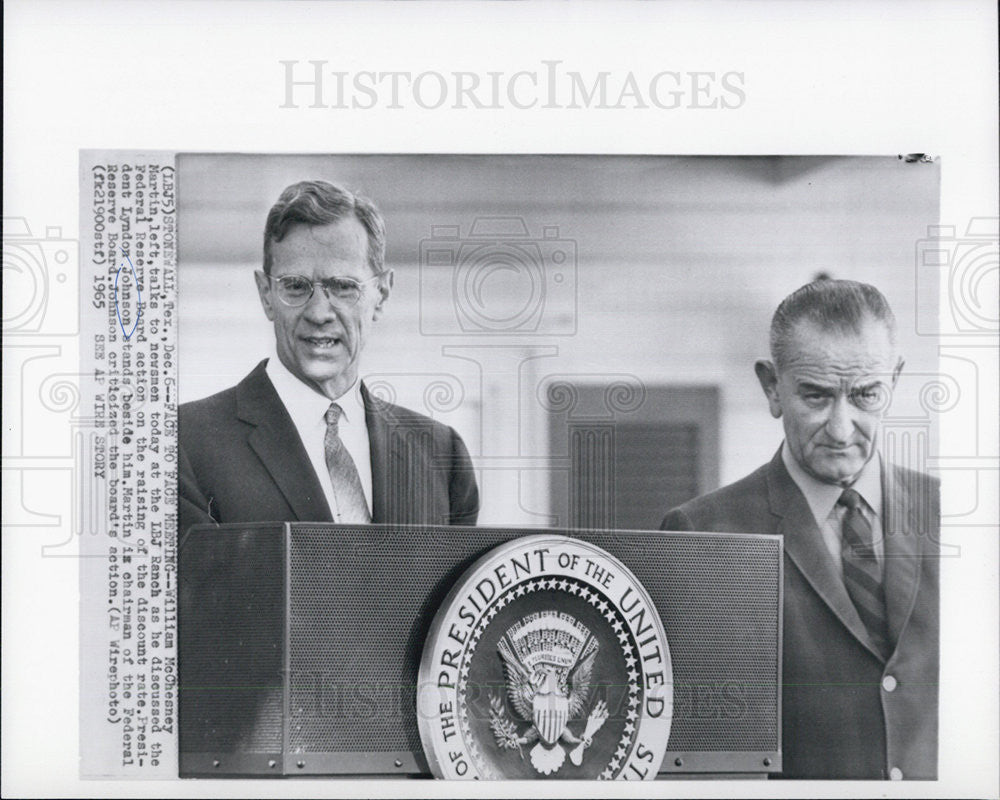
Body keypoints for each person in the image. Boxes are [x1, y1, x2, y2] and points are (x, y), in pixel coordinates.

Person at [660, 279, 939, 780]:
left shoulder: (956, 516)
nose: (840, 426)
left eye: (865, 395)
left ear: (894, 380)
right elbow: (697, 759)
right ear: (772, 387)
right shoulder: (703, 536)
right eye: (815, 395)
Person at [179, 180, 479, 535]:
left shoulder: (442, 454)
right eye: (295, 286)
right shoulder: (186, 442)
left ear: (381, 294)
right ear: (265, 295)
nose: (319, 312)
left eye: (343, 287)